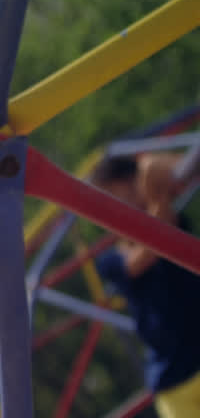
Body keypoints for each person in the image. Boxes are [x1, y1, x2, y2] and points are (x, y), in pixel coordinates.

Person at [92, 151, 200, 418]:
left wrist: (155, 171)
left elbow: (164, 229)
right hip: (175, 381)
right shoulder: (111, 261)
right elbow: (146, 253)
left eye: (124, 195)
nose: (117, 209)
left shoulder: (172, 221)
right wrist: (158, 195)